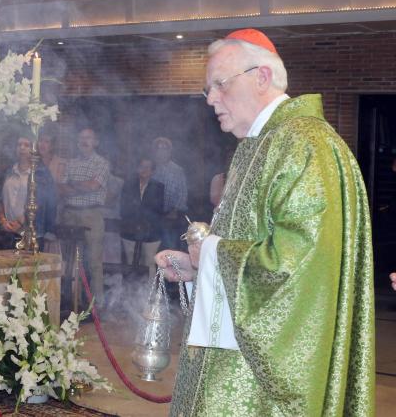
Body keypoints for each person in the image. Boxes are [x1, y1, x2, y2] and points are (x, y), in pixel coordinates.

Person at [155, 29, 374, 415]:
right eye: (208, 89)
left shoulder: (305, 145)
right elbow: (254, 248)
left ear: (262, 77)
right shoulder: (259, 144)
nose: (210, 99)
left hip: (257, 389)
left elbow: (296, 268)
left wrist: (212, 252)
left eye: (219, 85)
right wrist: (197, 267)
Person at [59, 128, 110, 305]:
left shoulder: (102, 163)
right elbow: (61, 188)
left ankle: (97, 305)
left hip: (91, 214)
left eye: (88, 138)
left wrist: (73, 185)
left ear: (96, 142)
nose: (84, 141)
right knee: (69, 260)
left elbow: (93, 186)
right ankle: (68, 300)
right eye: (81, 138)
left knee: (94, 261)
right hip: (69, 214)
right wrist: (80, 186)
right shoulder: (70, 163)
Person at [0, 135, 57, 250]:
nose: (22, 148)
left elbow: (41, 203)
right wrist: (3, 220)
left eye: (26, 145)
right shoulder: (8, 171)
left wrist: (20, 222)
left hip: (31, 234)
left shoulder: (41, 173)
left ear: (34, 149)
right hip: (6, 232)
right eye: (19, 145)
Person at [119, 157, 164, 277]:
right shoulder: (128, 185)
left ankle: (148, 293)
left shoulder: (159, 187)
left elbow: (158, 210)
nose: (144, 169)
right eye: (142, 166)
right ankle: (130, 291)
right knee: (130, 263)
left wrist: (144, 222)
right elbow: (123, 208)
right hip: (129, 231)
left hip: (151, 232)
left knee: (149, 263)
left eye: (148, 167)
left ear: (153, 171)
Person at [151, 136, 188, 249]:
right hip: (151, 217)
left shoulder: (177, 170)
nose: (161, 151)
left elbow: (182, 194)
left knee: (169, 250)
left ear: (170, 151)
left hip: (170, 217)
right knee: (151, 252)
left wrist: (175, 211)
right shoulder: (150, 168)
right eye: (158, 148)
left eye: (164, 148)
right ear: (154, 151)